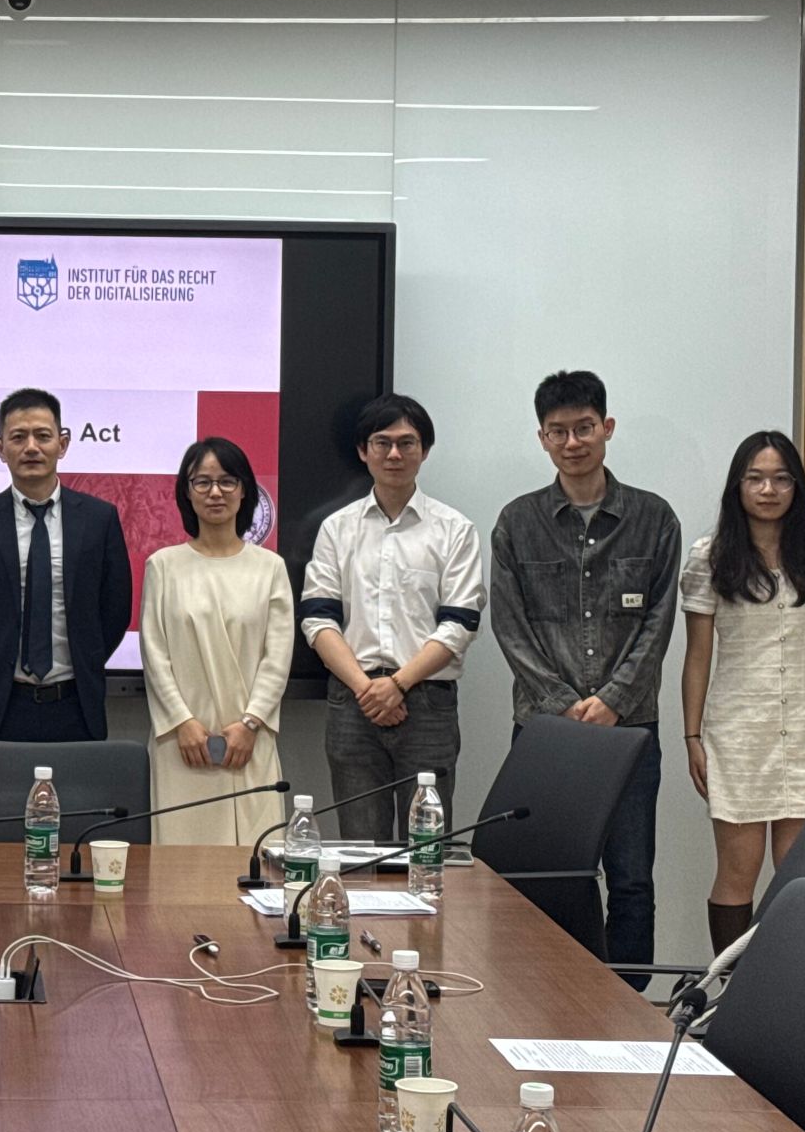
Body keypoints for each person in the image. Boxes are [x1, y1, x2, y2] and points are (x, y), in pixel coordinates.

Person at [491, 369, 680, 983]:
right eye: (558, 431)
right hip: (546, 734)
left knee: (631, 876)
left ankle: (627, 1000)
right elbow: (509, 625)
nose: (572, 442)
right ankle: (556, 994)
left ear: (607, 428)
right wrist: (563, 704)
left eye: (584, 428)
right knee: (551, 873)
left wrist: (614, 700)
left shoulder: (654, 518)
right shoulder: (517, 521)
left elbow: (658, 622)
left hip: (630, 729)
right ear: (542, 438)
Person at [680, 431, 805, 954]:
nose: (768, 490)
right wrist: (692, 736)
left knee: (802, 875)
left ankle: (789, 987)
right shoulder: (709, 556)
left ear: (797, 486)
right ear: (737, 486)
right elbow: (697, 655)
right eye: (755, 478)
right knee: (737, 870)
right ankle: (729, 990)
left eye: (781, 479)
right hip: (737, 732)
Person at [299, 394, 485, 842]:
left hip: (427, 703)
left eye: (407, 443)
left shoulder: (454, 529)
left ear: (425, 450)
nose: (395, 454)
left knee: (427, 848)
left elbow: (460, 624)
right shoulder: (336, 528)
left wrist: (397, 684)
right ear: (363, 451)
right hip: (353, 702)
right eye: (382, 443)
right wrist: (368, 689)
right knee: (361, 848)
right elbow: (318, 620)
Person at [0, 388, 134, 742]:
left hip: (77, 704)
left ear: (63, 443)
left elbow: (115, 608)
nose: (31, 447)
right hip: (0, 705)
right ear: (0, 448)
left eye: (43, 436)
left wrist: (87, 659)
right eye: (18, 437)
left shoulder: (99, 519)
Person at [139, 437, 294, 845]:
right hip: (182, 744)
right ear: (186, 492)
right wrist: (182, 722)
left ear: (244, 491)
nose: (215, 492)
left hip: (249, 741)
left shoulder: (270, 568)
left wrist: (250, 723)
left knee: (258, 863)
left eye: (227, 481)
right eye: (202, 482)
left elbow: (277, 659)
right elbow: (155, 655)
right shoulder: (163, 566)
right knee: (181, 866)